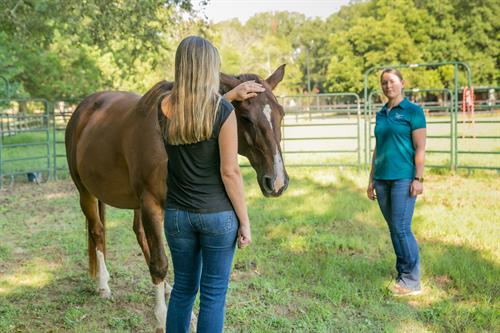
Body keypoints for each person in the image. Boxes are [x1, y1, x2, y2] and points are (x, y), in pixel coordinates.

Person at [160, 36, 264, 332]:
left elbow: (194, 116)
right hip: (217, 217)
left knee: (182, 290)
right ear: (209, 68)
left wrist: (229, 97)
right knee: (213, 295)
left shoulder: (164, 106)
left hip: (177, 216)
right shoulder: (222, 111)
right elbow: (230, 172)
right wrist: (245, 221)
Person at [367, 68, 427, 296]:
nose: (388, 86)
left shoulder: (413, 111)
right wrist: (371, 179)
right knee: (394, 228)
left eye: (392, 81)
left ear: (402, 83)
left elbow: (420, 147)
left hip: (403, 178)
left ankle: (412, 281)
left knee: (402, 228)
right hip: (382, 179)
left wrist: (418, 178)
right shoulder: (382, 113)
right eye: (384, 82)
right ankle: (403, 273)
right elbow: (378, 148)